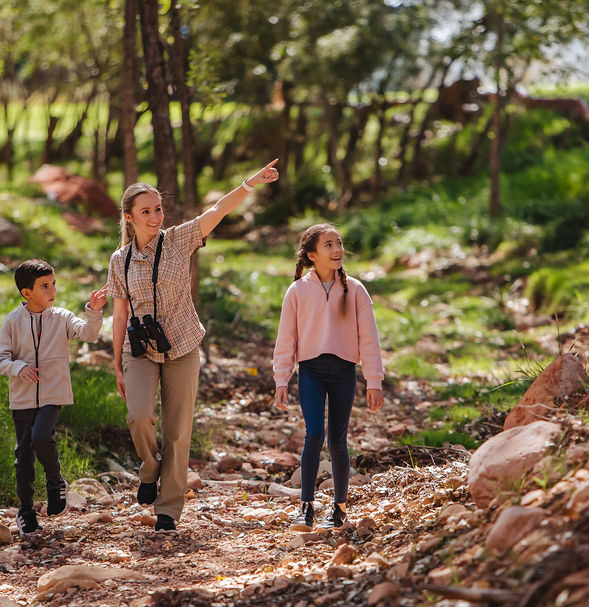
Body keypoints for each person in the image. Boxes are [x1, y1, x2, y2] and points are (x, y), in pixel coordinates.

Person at [107, 160, 279, 533]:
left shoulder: (179, 239)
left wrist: (250, 182)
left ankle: (168, 510)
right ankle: (149, 470)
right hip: (140, 351)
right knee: (138, 416)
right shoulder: (119, 260)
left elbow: (217, 210)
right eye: (146, 211)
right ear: (129, 217)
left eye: (158, 209)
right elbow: (120, 313)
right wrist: (116, 361)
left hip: (182, 345)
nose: (155, 217)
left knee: (178, 430)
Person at [273, 223, 384, 531]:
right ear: (312, 255)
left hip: (344, 373)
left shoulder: (355, 290)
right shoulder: (297, 291)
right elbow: (286, 338)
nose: (337, 250)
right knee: (313, 435)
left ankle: (338, 507)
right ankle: (305, 506)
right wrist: (281, 379)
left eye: (339, 244)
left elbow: (369, 338)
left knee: (337, 441)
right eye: (329, 245)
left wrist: (373, 380)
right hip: (310, 372)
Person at [0, 259, 107, 535]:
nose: (52, 290)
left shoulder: (61, 317)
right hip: (22, 398)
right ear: (27, 293)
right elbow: (1, 359)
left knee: (40, 437)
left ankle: (55, 480)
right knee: (23, 455)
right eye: (44, 286)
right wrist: (18, 367)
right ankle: (25, 513)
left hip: (52, 394)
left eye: (54, 284)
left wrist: (93, 311)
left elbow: (89, 334)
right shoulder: (11, 321)